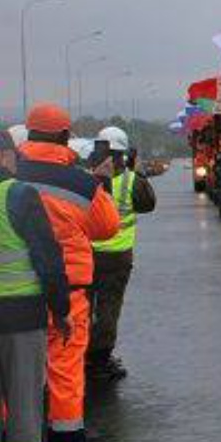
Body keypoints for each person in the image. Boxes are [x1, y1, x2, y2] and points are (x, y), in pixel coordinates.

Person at [15, 104, 121, 442]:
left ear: (29, 136)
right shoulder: (79, 183)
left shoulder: (11, 178)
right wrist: (100, 185)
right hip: (69, 294)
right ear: (64, 137)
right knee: (64, 378)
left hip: (15, 293)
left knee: (14, 378)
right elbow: (107, 229)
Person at [0, 129, 72, 442]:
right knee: (24, 404)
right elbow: (47, 257)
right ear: (7, 156)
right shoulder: (19, 195)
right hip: (21, 318)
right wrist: (61, 310)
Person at [88, 126, 157, 383]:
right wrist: (137, 169)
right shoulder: (131, 180)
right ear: (123, 154)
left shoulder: (87, 178)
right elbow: (148, 204)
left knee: (84, 308)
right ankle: (100, 360)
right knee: (108, 307)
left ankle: (81, 353)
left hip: (87, 254)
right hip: (117, 257)